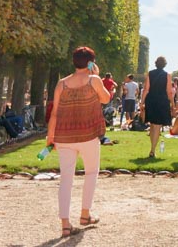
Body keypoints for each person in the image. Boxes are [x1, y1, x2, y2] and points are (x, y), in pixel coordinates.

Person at [46, 46, 112, 239]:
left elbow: (55, 113)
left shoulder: (62, 83)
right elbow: (106, 100)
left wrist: (50, 136)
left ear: (73, 61)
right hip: (88, 134)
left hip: (64, 136)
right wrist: (96, 75)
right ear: (91, 62)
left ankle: (65, 224)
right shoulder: (94, 80)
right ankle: (85, 214)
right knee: (91, 173)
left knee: (66, 179)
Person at [141, 56, 173, 158]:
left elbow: (146, 89)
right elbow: (169, 91)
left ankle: (152, 148)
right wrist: (172, 102)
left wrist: (142, 102)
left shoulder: (150, 73)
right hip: (162, 100)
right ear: (165, 64)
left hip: (151, 99)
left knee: (152, 125)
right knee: (157, 126)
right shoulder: (167, 75)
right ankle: (153, 150)